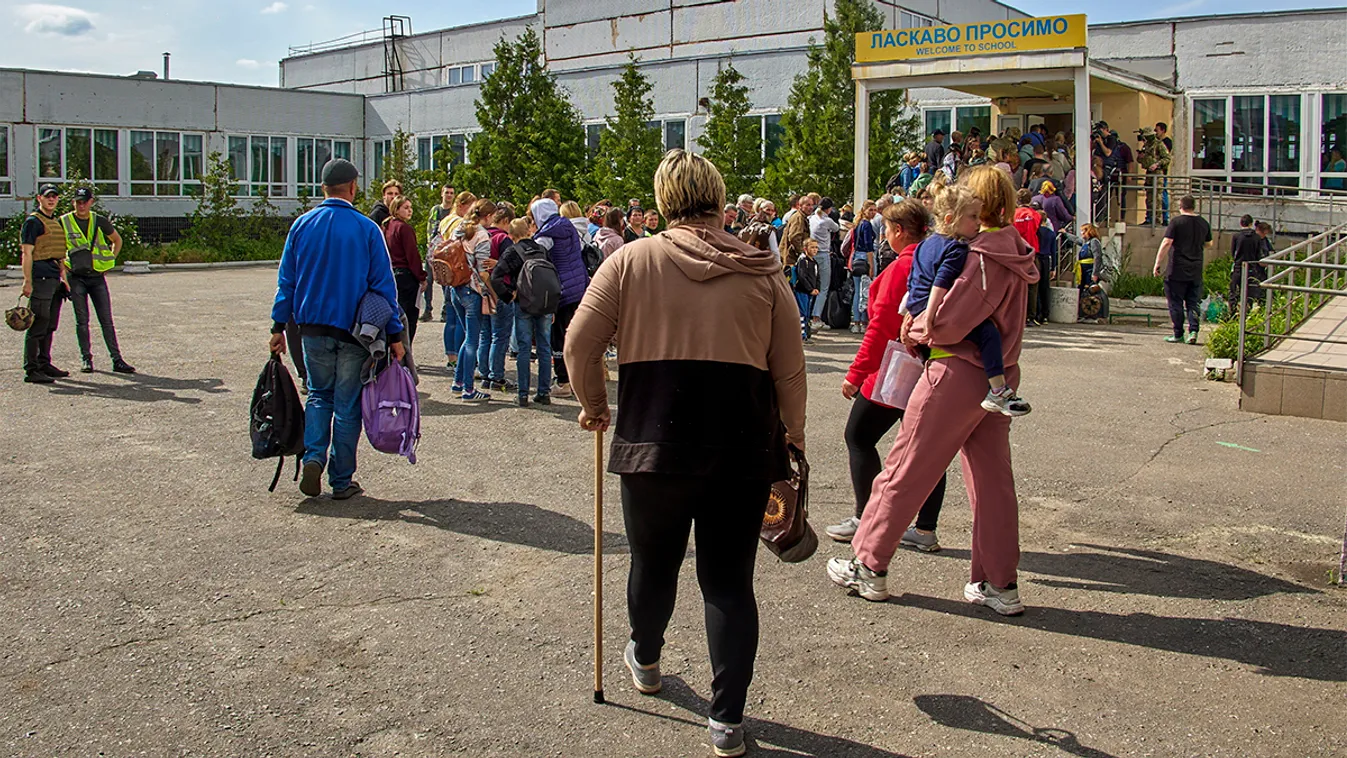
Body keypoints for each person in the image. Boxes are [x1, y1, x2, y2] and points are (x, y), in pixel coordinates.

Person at [564, 149, 806, 758]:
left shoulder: (629, 262)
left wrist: (595, 404)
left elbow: (578, 344)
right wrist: (795, 436)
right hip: (742, 446)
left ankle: (645, 659)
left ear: (664, 200)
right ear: (720, 200)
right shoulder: (762, 270)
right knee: (728, 581)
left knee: (652, 563)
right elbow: (791, 371)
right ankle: (727, 720)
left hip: (653, 442)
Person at [828, 165, 1037, 614]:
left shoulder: (980, 255)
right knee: (992, 482)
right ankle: (999, 583)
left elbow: (945, 320)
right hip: (997, 377)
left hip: (955, 373)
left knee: (904, 469)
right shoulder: (1013, 249)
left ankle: (869, 564)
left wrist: (916, 326)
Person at [269, 158, 404, 500]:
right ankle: (340, 479)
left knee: (318, 395)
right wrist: (396, 334)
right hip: (354, 331)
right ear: (354, 187)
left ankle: (313, 457)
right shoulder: (367, 228)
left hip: (311, 328)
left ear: (323, 187)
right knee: (346, 406)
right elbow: (384, 287)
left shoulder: (302, 225)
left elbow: (287, 281)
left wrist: (277, 326)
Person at [826, 199, 949, 548]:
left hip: (894, 367)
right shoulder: (936, 260)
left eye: (886, 230)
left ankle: (865, 515)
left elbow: (880, 329)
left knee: (859, 437)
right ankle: (925, 527)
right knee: (925, 449)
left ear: (898, 231)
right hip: (930, 363)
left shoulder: (901, 268)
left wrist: (855, 372)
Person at [906, 184, 1032, 417]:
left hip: (916, 306)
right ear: (950, 218)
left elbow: (914, 278)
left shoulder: (925, 243)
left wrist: (910, 313)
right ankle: (998, 390)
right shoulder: (957, 248)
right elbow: (940, 284)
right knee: (988, 333)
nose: (977, 222)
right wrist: (931, 318)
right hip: (931, 308)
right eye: (973, 217)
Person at [60, 187, 133, 374]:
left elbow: (117, 240)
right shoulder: (64, 222)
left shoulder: (99, 221)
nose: (81, 205)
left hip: (96, 277)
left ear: (91, 202)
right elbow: (57, 249)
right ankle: (86, 359)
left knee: (106, 320)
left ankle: (117, 360)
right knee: (82, 320)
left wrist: (109, 261)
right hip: (76, 277)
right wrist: (63, 274)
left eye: (84, 201)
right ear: (73, 203)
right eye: (77, 202)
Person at [491, 217, 552, 407]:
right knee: (544, 347)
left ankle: (523, 394)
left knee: (524, 347)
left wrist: (509, 295)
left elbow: (496, 277)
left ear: (511, 235)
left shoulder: (512, 251)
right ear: (528, 231)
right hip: (543, 302)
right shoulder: (541, 249)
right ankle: (544, 392)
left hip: (523, 302)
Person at [533, 197, 586, 398]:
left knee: (559, 337)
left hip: (561, 290)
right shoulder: (567, 225)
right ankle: (577, 379)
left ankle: (563, 381)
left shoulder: (546, 234)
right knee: (575, 335)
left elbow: (536, 255)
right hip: (578, 286)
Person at [19, 184, 70, 384]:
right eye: (48, 196)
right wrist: (27, 281)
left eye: (55, 196)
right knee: (38, 323)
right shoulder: (33, 222)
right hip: (40, 277)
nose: (51, 200)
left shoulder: (54, 222)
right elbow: (27, 252)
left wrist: (64, 280)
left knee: (50, 324)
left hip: (53, 278)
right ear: (39, 198)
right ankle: (31, 370)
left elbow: (59, 256)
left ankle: (44, 362)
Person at [448, 199, 497, 401]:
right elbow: (483, 271)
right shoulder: (482, 236)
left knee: (468, 337)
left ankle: (458, 382)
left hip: (455, 288)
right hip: (471, 290)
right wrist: (493, 293)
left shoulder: (459, 229)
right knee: (472, 342)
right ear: (487, 216)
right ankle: (468, 388)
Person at [1153, 195, 1212, 345]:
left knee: (1175, 303)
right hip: (1196, 269)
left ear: (1181, 206)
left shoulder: (1176, 222)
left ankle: (1178, 333)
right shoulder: (1203, 223)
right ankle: (1193, 330)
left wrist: (1157, 263)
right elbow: (1209, 243)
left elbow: (1167, 242)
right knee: (1193, 302)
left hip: (1177, 269)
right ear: (1194, 206)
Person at [480, 204, 517, 392]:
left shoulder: (482, 235)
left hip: (483, 290)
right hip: (501, 290)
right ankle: (497, 376)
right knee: (500, 336)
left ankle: (485, 373)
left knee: (485, 334)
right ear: (506, 221)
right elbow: (513, 263)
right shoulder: (503, 239)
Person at [439, 191, 477, 362]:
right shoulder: (460, 223)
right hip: (458, 271)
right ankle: (460, 358)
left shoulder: (445, 220)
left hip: (447, 272)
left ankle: (451, 356)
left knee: (450, 316)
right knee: (461, 320)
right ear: (462, 205)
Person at [382, 194, 426, 345]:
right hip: (406, 276)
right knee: (408, 318)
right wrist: (421, 276)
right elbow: (412, 256)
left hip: (391, 274)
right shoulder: (403, 228)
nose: (410, 211)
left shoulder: (387, 226)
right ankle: (405, 353)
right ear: (396, 209)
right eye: (406, 208)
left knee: (395, 314)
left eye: (410, 207)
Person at [423, 184, 455, 322]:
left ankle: (445, 310)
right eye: (446, 192)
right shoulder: (436, 210)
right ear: (442, 193)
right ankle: (428, 309)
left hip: (447, 252)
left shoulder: (454, 212)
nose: (449, 195)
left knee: (445, 282)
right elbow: (430, 228)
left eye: (451, 193)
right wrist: (431, 246)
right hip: (433, 250)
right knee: (428, 280)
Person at [808, 197, 840, 323]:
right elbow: (836, 228)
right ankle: (816, 317)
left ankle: (807, 315)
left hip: (811, 253)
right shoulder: (826, 221)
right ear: (829, 209)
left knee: (810, 285)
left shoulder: (811, 218)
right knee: (823, 287)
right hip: (823, 253)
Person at [849, 199, 878, 333]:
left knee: (857, 291)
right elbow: (868, 246)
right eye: (870, 210)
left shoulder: (857, 224)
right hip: (865, 257)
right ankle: (864, 320)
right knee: (866, 290)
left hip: (856, 257)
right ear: (865, 210)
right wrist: (871, 264)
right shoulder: (866, 225)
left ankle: (856, 321)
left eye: (874, 210)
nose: (873, 212)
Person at [1228, 215, 1268, 306]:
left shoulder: (1236, 236)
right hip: (1252, 267)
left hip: (1238, 266)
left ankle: (1233, 312)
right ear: (1251, 224)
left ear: (1241, 223)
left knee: (1234, 291)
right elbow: (1259, 253)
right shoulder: (1257, 237)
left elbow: (1233, 252)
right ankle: (1247, 311)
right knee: (1250, 293)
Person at [1137, 126, 1172, 226]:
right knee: (1149, 198)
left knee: (1158, 198)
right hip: (1149, 174)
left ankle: (1157, 220)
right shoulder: (1146, 146)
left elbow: (1167, 158)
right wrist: (1140, 157)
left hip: (1158, 174)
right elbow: (1141, 160)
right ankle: (1149, 219)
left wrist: (1157, 164)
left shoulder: (1159, 144)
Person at [793, 239, 821, 342]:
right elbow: (802, 276)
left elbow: (818, 277)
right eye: (812, 247)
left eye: (816, 247)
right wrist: (810, 289)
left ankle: (806, 333)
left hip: (811, 292)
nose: (815, 250)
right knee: (802, 313)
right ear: (805, 249)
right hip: (802, 291)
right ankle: (801, 335)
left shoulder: (814, 262)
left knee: (808, 313)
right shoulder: (803, 261)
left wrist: (817, 288)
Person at [782, 194, 814, 267]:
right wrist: (803, 253)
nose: (811, 208)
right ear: (800, 206)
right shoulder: (798, 218)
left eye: (812, 205)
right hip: (791, 259)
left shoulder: (803, 217)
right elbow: (794, 238)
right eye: (808, 205)